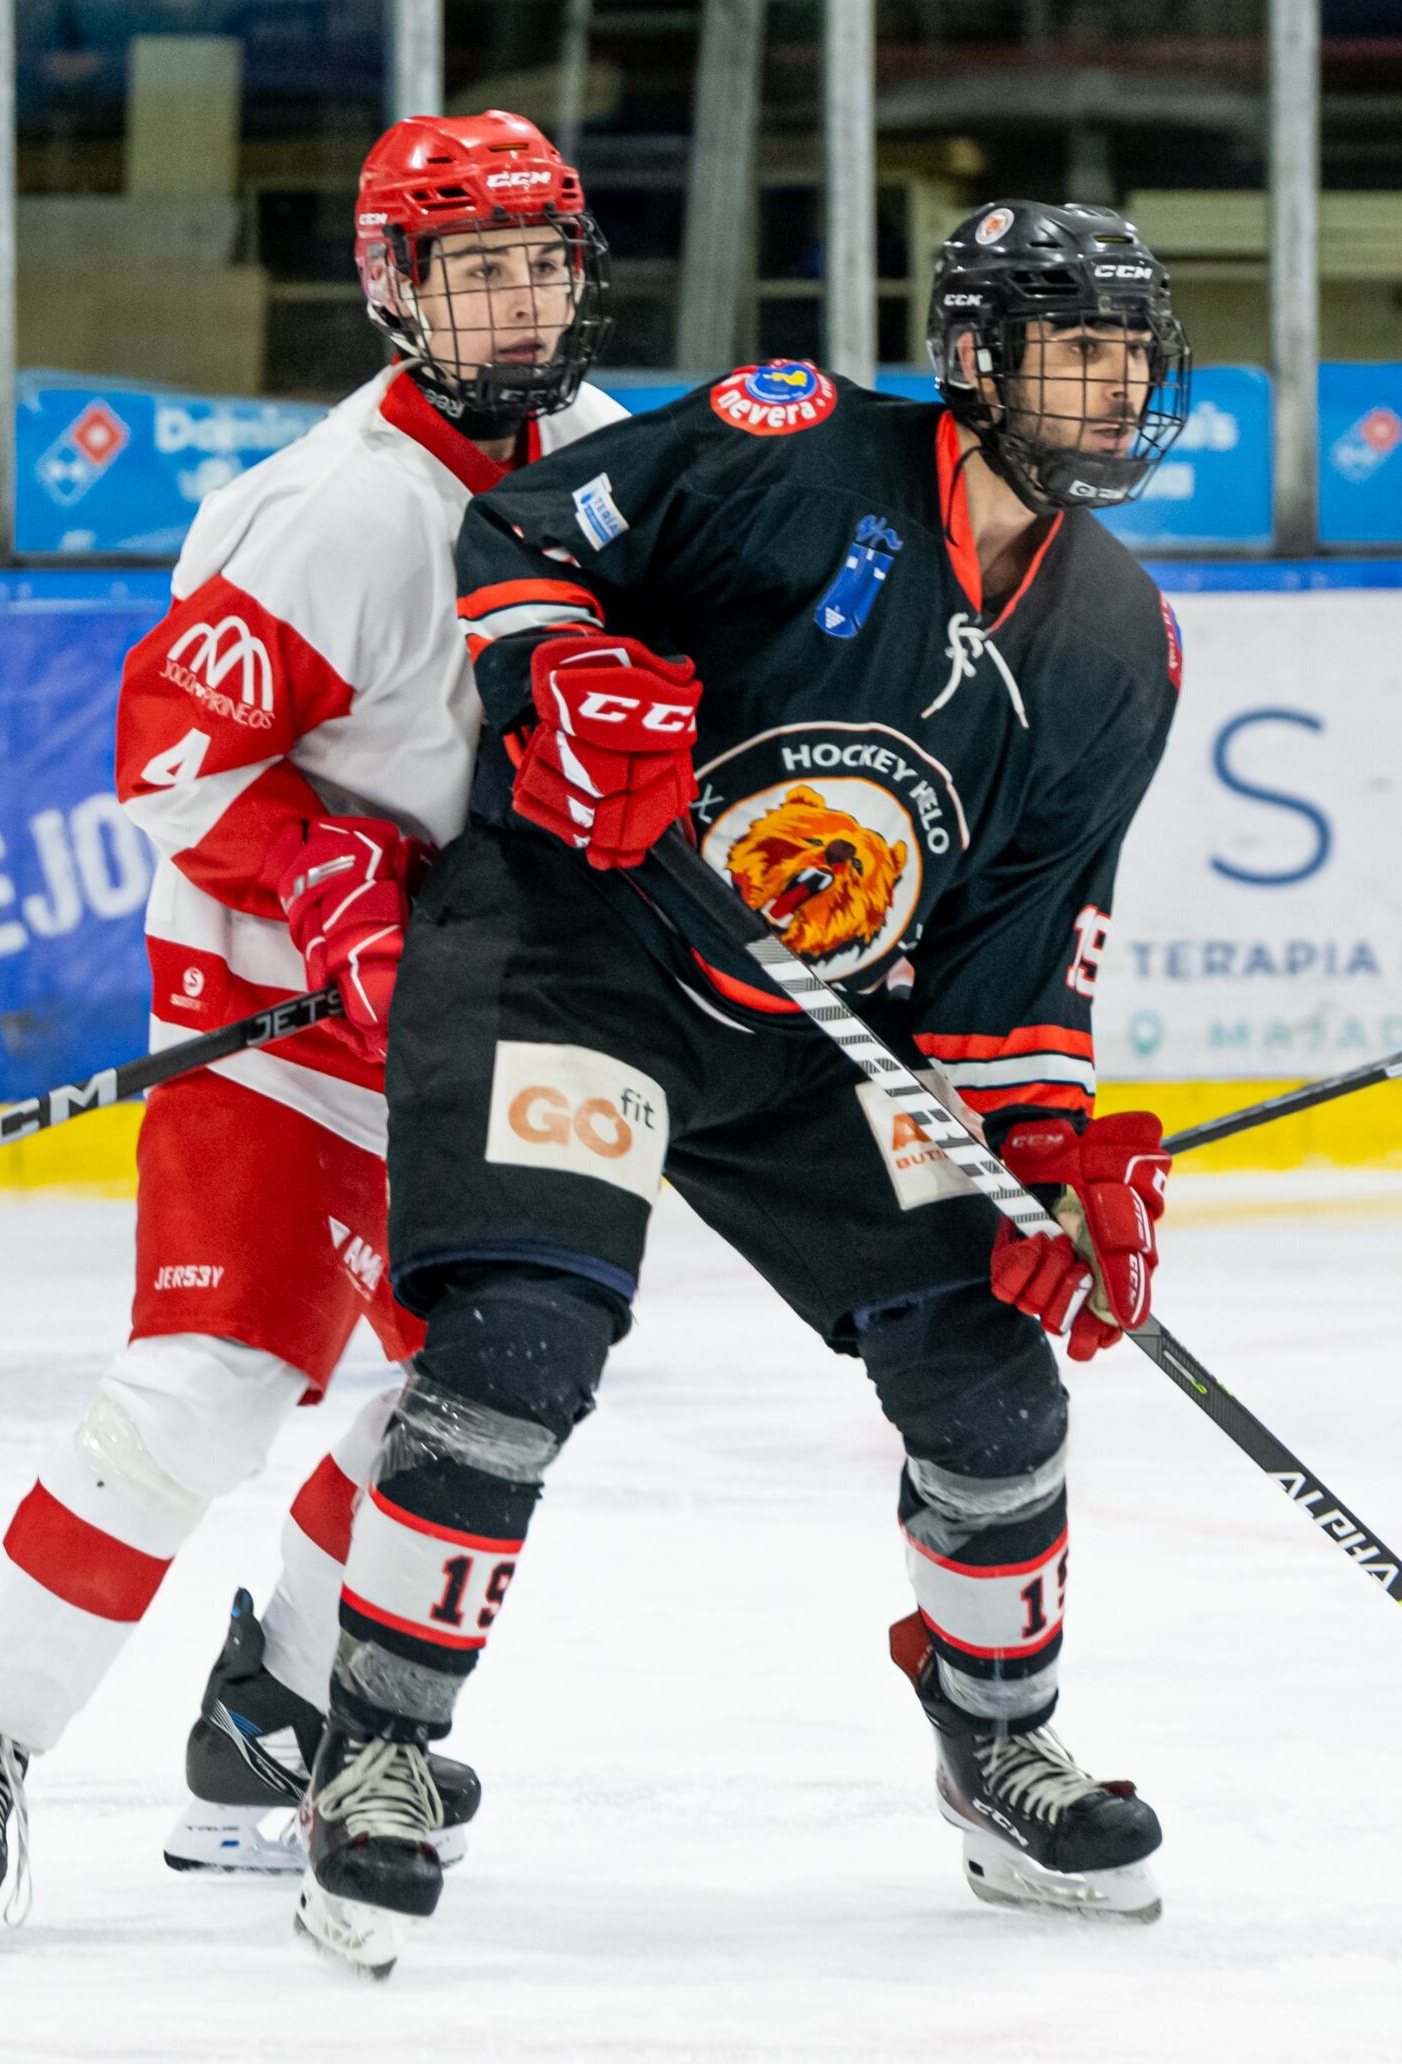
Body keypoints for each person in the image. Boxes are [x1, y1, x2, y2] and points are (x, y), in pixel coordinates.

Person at [281, 201, 1196, 1973]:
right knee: (522, 1348)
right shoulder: (799, 445)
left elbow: (1019, 943)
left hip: (815, 1033)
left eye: (1133, 357)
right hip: (580, 951)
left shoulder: (1119, 647)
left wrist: (1046, 1154)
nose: (1111, 390)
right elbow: (531, 528)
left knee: (989, 1376)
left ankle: (998, 1739)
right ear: (978, 359)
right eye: (1074, 351)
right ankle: (376, 1749)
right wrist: (562, 675)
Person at [0, 109, 628, 1942]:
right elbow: (173, 749)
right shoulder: (335, 509)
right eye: (477, 270)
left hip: (482, 1031)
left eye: (543, 261)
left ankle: (267, 1721)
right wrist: (326, 869)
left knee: (463, 1407)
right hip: (280, 1018)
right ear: (395, 290)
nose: (520, 304)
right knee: (204, 1400)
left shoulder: (616, 467)